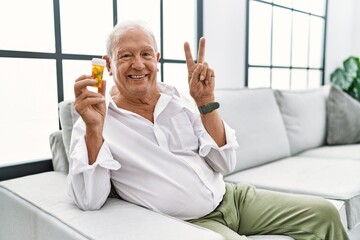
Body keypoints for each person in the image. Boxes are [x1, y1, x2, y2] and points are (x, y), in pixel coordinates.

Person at [67, 21, 349, 240]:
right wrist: (94, 130)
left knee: (324, 213)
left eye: (146, 54)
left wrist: (205, 103)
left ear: (158, 59)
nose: (138, 64)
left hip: (232, 197)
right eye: (125, 55)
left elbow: (224, 163)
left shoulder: (179, 101)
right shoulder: (95, 121)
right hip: (192, 223)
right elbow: (90, 200)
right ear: (108, 64)